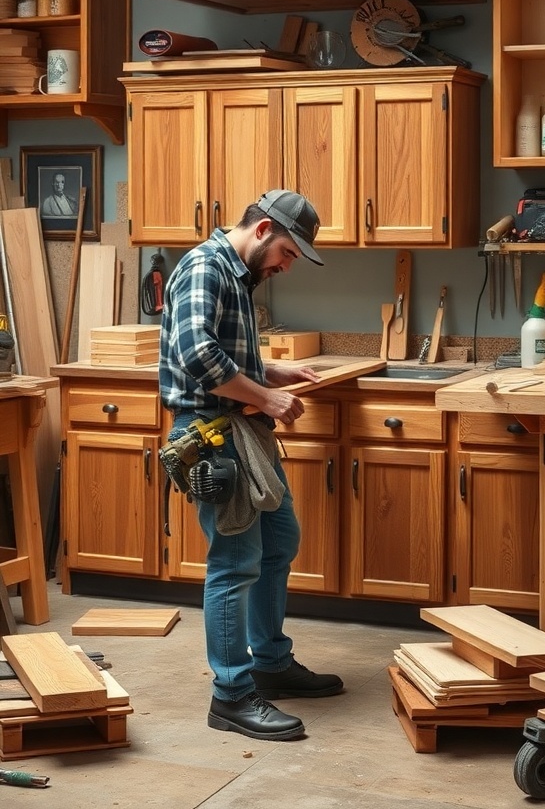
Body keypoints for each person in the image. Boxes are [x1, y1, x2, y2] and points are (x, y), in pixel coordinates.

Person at [160, 189, 344, 742]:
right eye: (288, 252)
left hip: (244, 434)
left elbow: (222, 351)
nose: (287, 266)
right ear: (263, 230)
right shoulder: (205, 267)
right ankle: (232, 696)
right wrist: (265, 399)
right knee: (235, 562)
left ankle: (268, 662)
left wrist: (270, 374)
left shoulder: (237, 276)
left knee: (280, 539)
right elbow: (196, 355)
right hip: (214, 438)